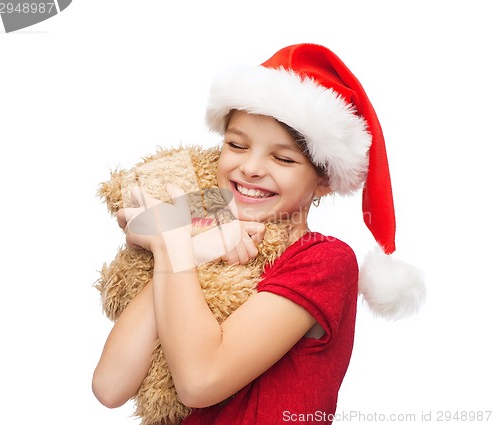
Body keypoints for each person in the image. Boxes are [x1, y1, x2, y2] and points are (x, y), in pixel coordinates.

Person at [92, 43, 425, 424]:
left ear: (324, 182)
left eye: (283, 158)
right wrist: (192, 249)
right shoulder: (200, 238)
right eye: (236, 145)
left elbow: (200, 381)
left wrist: (172, 247)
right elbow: (110, 386)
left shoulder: (323, 259)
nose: (250, 167)